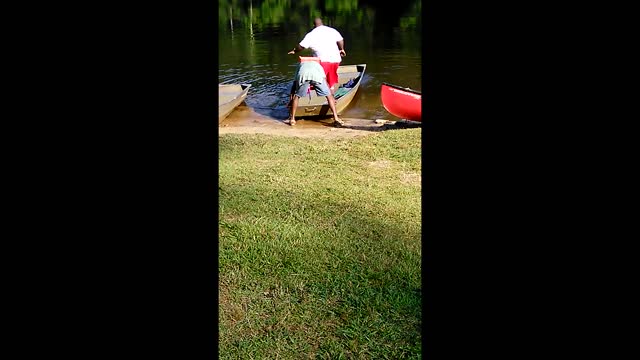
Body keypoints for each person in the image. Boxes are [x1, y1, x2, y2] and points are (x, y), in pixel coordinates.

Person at [288, 18, 346, 95]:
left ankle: (314, 97)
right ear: (322, 23)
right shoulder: (332, 30)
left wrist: (295, 51)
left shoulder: (311, 34)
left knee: (319, 81)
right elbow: (340, 40)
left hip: (322, 62)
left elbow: (301, 46)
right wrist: (342, 49)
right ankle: (332, 97)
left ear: (313, 25)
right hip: (335, 60)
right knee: (331, 83)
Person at [288, 60, 344, 127]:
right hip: (316, 76)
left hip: (303, 76)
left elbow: (294, 84)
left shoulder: (301, 65)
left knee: (297, 96)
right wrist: (332, 96)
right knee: (328, 96)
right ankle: (336, 118)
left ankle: (292, 119)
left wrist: (291, 99)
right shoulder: (319, 65)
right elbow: (325, 81)